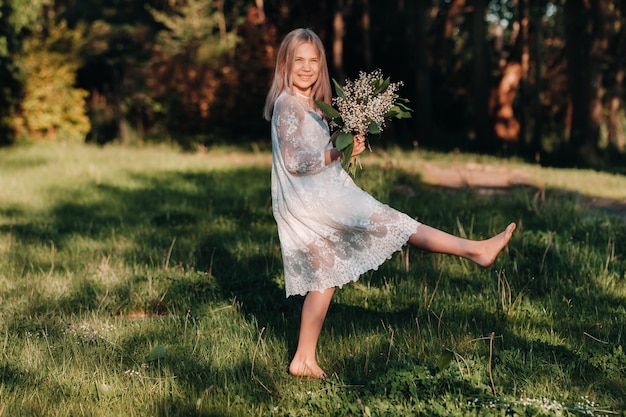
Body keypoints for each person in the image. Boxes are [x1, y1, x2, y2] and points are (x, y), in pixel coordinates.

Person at [263, 28, 516, 379]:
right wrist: (337, 151)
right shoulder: (288, 103)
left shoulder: (313, 107)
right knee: (397, 224)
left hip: (323, 194)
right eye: (298, 61)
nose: (306, 68)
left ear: (321, 66)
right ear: (285, 65)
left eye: (313, 61)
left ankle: (303, 359)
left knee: (325, 277)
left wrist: (346, 139)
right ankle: (475, 250)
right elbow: (296, 161)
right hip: (318, 200)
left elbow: (316, 149)